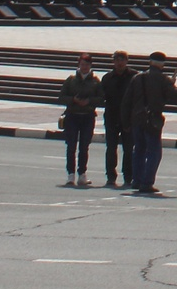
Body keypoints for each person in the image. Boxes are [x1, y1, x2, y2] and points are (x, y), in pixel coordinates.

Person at [128, 51, 177, 193]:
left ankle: (136, 180)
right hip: (153, 119)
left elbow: (127, 100)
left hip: (137, 118)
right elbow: (174, 97)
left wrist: (126, 120)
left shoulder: (137, 78)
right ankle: (147, 182)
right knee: (154, 152)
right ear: (162, 64)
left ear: (150, 62)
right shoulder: (164, 79)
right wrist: (173, 85)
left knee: (139, 150)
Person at [58, 53, 101, 187]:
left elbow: (101, 98)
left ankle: (82, 174)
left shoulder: (95, 81)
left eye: (87, 65)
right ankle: (70, 175)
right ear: (79, 65)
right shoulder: (71, 80)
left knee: (84, 147)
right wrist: (73, 100)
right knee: (71, 146)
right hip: (72, 116)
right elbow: (61, 96)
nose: (84, 67)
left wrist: (89, 101)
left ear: (90, 66)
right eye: (82, 64)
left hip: (87, 116)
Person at [99, 50, 135, 188]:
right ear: (113, 62)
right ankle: (110, 176)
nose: (119, 63)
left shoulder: (134, 77)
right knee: (111, 148)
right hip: (111, 117)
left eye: (122, 60)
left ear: (126, 61)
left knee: (128, 149)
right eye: (117, 60)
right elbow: (102, 96)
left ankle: (128, 177)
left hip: (128, 118)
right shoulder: (107, 78)